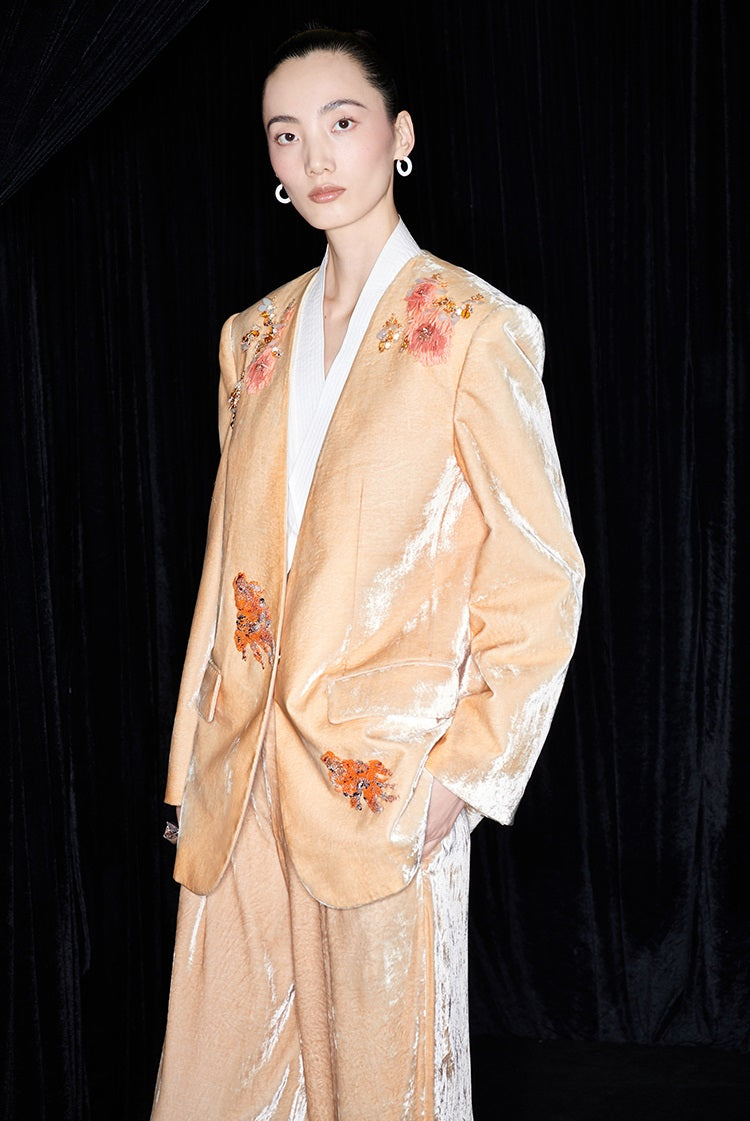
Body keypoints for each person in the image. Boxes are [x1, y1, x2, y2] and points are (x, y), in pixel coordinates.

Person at [150, 24, 584, 1121]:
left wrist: (462, 775)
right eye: (285, 135)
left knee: (384, 1092)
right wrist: (188, 765)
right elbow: (225, 566)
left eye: (340, 123)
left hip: (380, 787)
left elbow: (540, 571)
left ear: (399, 135)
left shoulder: (475, 328)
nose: (314, 157)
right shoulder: (252, 338)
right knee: (216, 1088)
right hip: (243, 774)